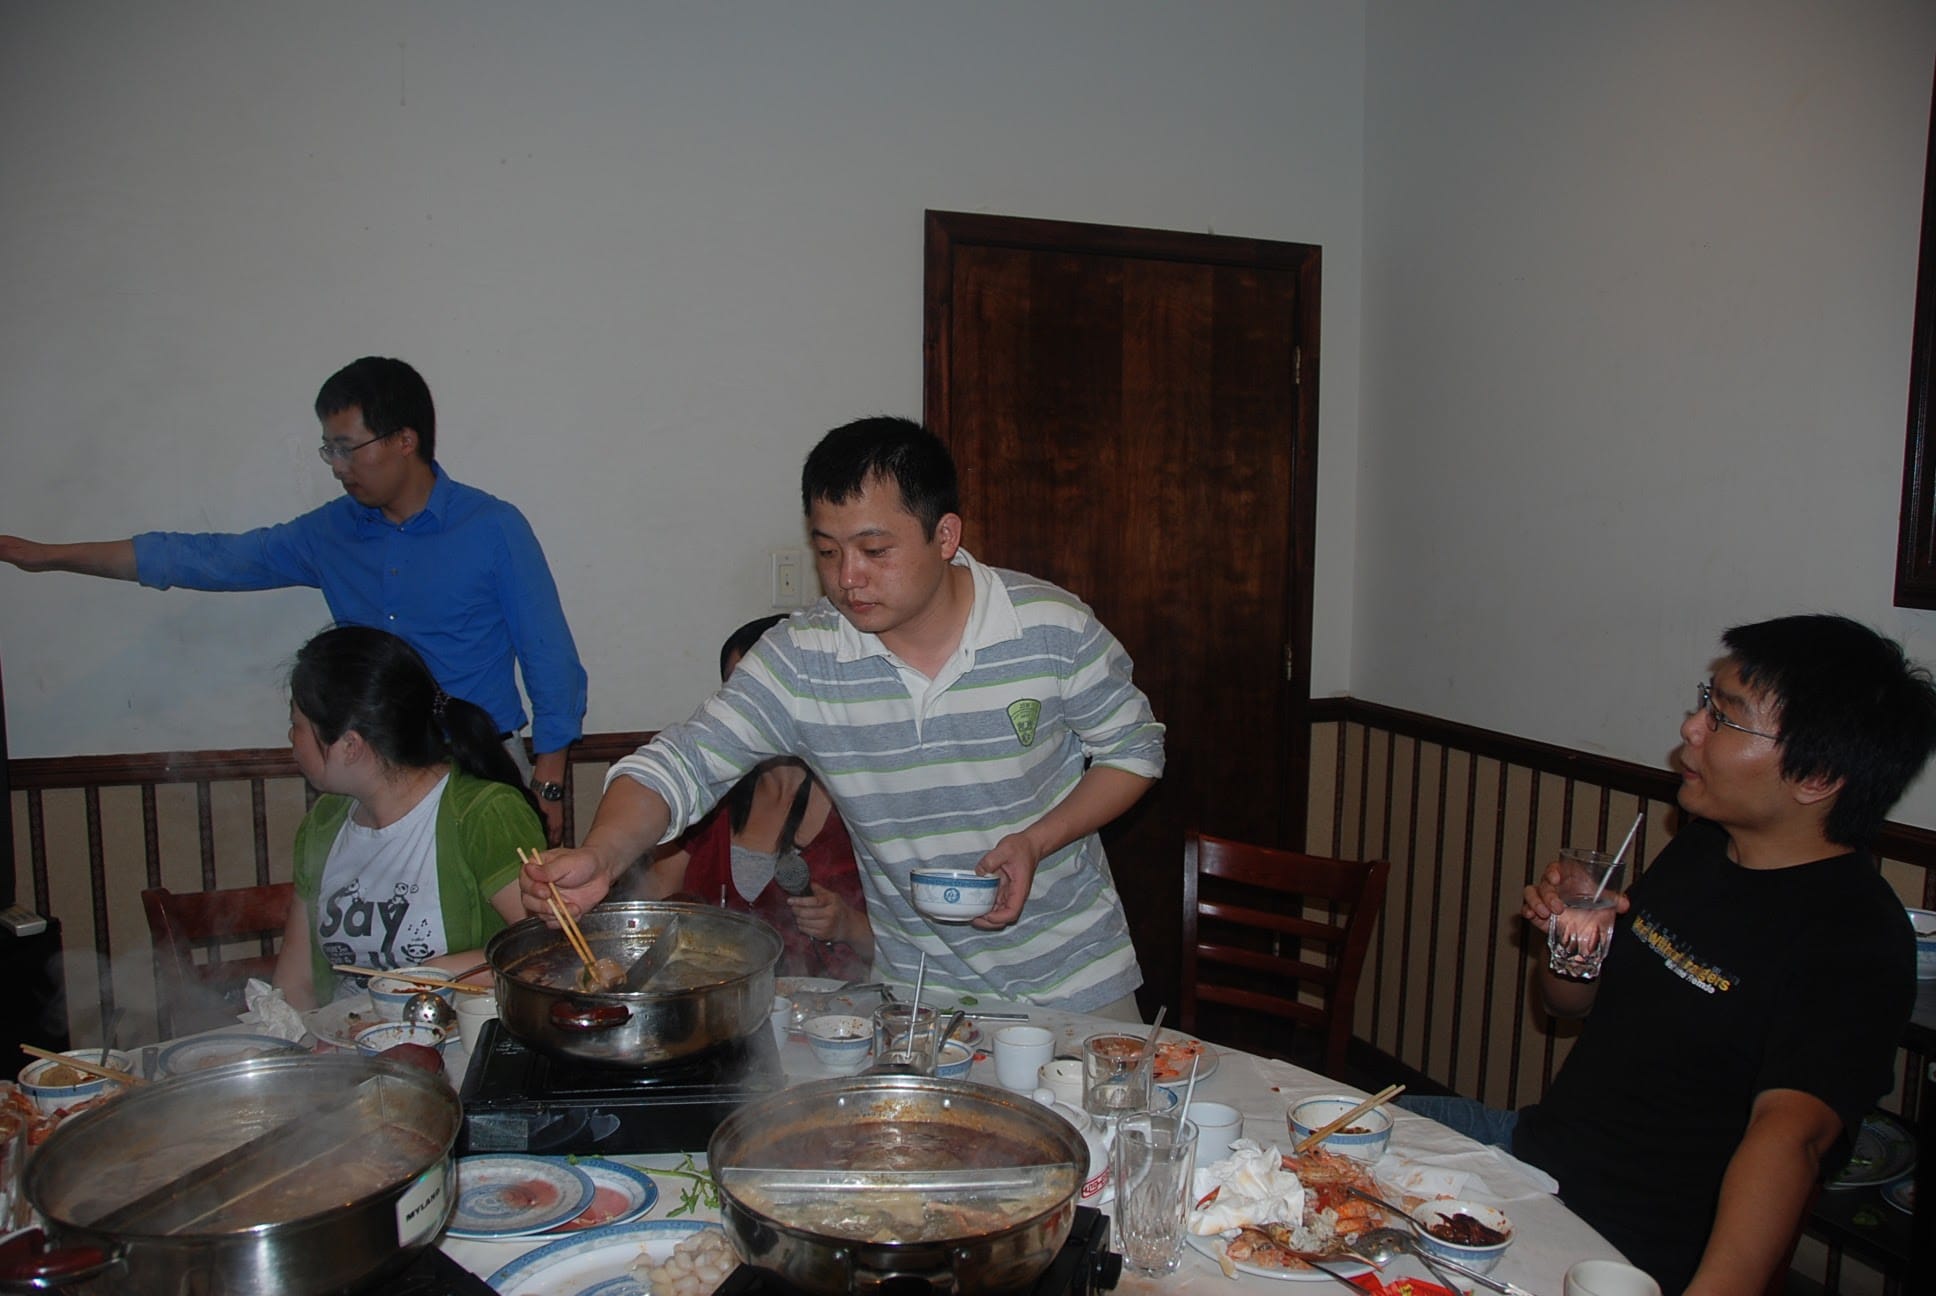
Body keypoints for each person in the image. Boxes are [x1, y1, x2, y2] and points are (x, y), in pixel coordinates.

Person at [525, 416, 1165, 1015]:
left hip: (1076, 982)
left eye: (874, 550)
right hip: (916, 994)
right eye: (828, 552)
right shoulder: (804, 658)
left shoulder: (1049, 627)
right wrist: (603, 855)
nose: (847, 578)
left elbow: (1135, 752)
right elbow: (680, 763)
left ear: (945, 536)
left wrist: (1036, 841)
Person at [1405, 614, 1934, 1296]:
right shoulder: (1703, 845)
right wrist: (1571, 938)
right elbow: (1569, 1006)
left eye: (1725, 716)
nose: (1691, 726)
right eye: (1705, 701)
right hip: (1530, 1153)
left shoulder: (1856, 936)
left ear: (1819, 774)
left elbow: (1791, 1137)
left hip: (1618, 1240)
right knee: (1306, 1138)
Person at [0, 356, 587, 843]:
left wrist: (549, 779)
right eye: (329, 449)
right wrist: (49, 556)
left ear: (404, 440)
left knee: (501, 933)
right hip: (372, 774)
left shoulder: (492, 527)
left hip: (479, 769)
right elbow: (208, 558)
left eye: (348, 448)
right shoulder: (330, 532)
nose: (337, 467)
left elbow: (549, 657)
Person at [273, 625, 544, 1010]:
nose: (291, 738)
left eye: (297, 725)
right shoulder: (325, 822)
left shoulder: (483, 812)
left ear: (350, 745)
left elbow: (543, 951)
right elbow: (295, 983)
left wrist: (430, 975)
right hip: (345, 1038)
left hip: (458, 1036)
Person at [619, 615, 873, 979]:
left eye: (761, 694)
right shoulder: (710, 793)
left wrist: (847, 924)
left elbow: (910, 947)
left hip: (828, 1005)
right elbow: (652, 897)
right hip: (711, 995)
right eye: (737, 694)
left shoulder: (857, 797)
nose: (748, 711)